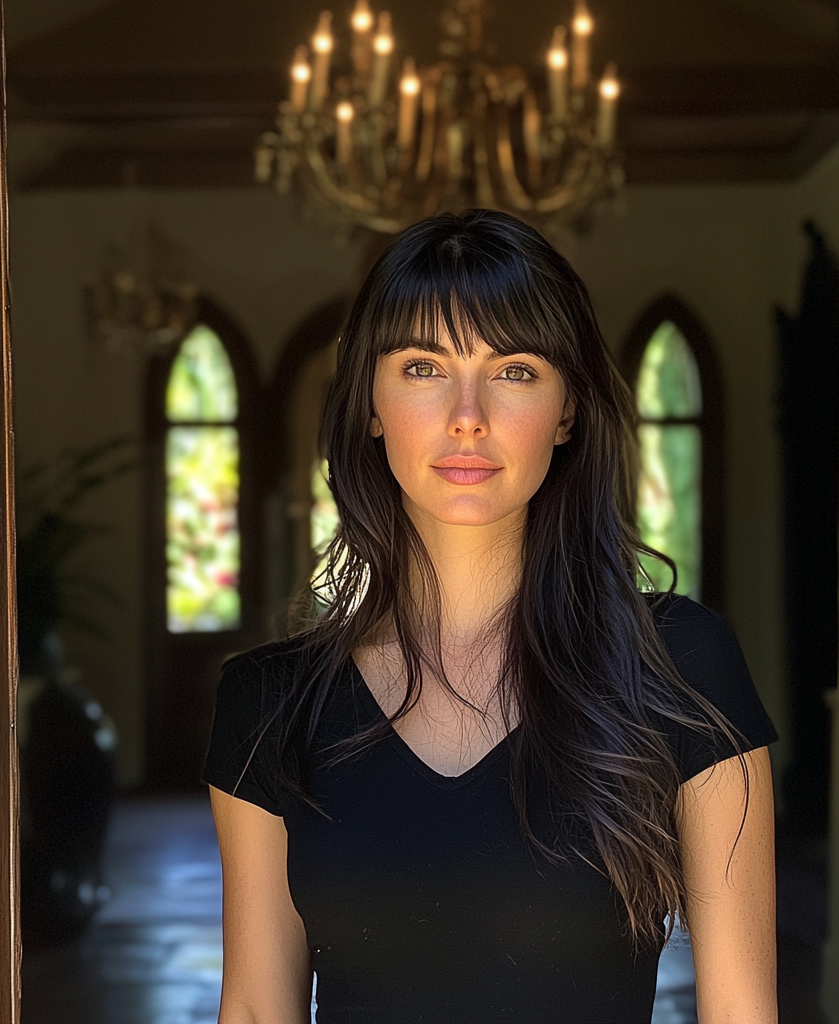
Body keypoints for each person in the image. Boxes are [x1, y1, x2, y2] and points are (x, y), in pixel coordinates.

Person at [204, 209, 778, 1024]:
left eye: (513, 370)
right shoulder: (269, 705)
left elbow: (742, 1013)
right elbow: (259, 1010)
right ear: (370, 402)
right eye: (422, 367)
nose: (466, 414)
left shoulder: (680, 668)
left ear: (568, 410)